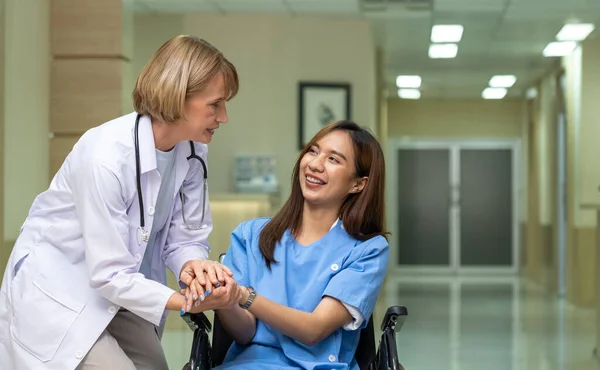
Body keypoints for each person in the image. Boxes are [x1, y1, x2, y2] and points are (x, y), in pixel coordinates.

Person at [0, 35, 238, 370]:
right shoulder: (105, 155)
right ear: (177, 96)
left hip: (122, 290)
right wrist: (184, 301)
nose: (224, 117)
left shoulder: (194, 151)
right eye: (215, 104)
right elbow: (108, 274)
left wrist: (193, 266)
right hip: (61, 291)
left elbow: (186, 237)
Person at [191, 120, 390, 370]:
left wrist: (244, 296)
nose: (315, 164)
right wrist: (226, 299)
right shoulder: (251, 235)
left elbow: (314, 330)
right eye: (313, 151)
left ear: (358, 184)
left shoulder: (367, 250)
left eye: (334, 159)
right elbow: (244, 333)